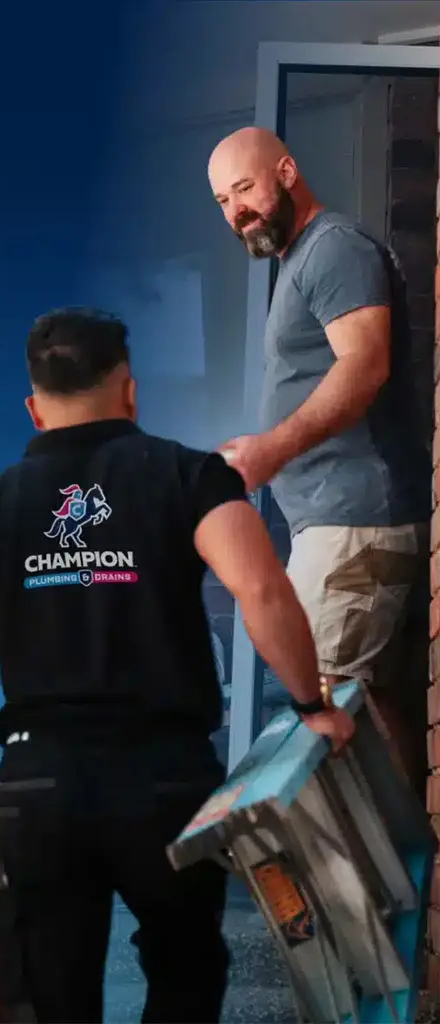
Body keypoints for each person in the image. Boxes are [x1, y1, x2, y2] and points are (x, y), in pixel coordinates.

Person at [0, 307, 353, 1024]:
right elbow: (261, 590)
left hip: (39, 783)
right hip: (165, 780)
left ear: (34, 408)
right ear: (130, 392)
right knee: (185, 968)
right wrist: (311, 707)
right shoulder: (191, 476)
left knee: (52, 995)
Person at [208, 126, 431, 790]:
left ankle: (369, 864)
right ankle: (413, 855)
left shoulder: (332, 247)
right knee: (372, 710)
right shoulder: (300, 261)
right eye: (223, 201)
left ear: (286, 172)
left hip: (354, 525)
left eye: (244, 189)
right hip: (343, 525)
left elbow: (365, 364)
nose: (236, 212)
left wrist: (273, 448)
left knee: (323, 716)